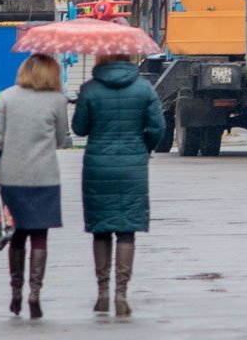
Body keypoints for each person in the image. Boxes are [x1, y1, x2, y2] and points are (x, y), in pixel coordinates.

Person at [71, 53, 165, 318]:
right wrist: (143, 148)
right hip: (132, 166)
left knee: (101, 229)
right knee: (126, 230)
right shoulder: (144, 88)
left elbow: (79, 129)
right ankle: (121, 293)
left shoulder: (90, 89)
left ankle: (102, 292)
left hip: (98, 165)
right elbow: (158, 127)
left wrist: (83, 102)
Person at [0, 54, 70, 319]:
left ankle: (16, 291)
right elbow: (61, 139)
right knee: (40, 236)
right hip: (44, 178)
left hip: (13, 177)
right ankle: (35, 292)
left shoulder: (8, 97)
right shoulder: (57, 100)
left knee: (17, 235)